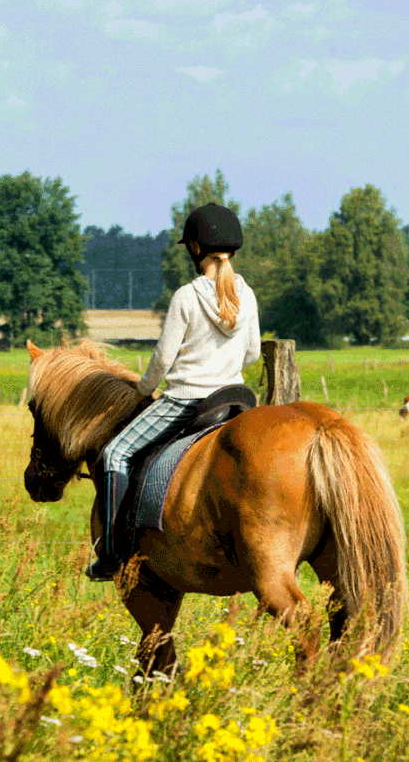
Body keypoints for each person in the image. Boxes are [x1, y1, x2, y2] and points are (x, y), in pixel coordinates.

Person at [86, 203, 261, 581]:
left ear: (195, 248)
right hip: (235, 397)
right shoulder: (247, 294)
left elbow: (163, 359)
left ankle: (113, 555)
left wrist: (144, 388)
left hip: (188, 400)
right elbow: (253, 352)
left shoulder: (187, 296)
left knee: (115, 453)